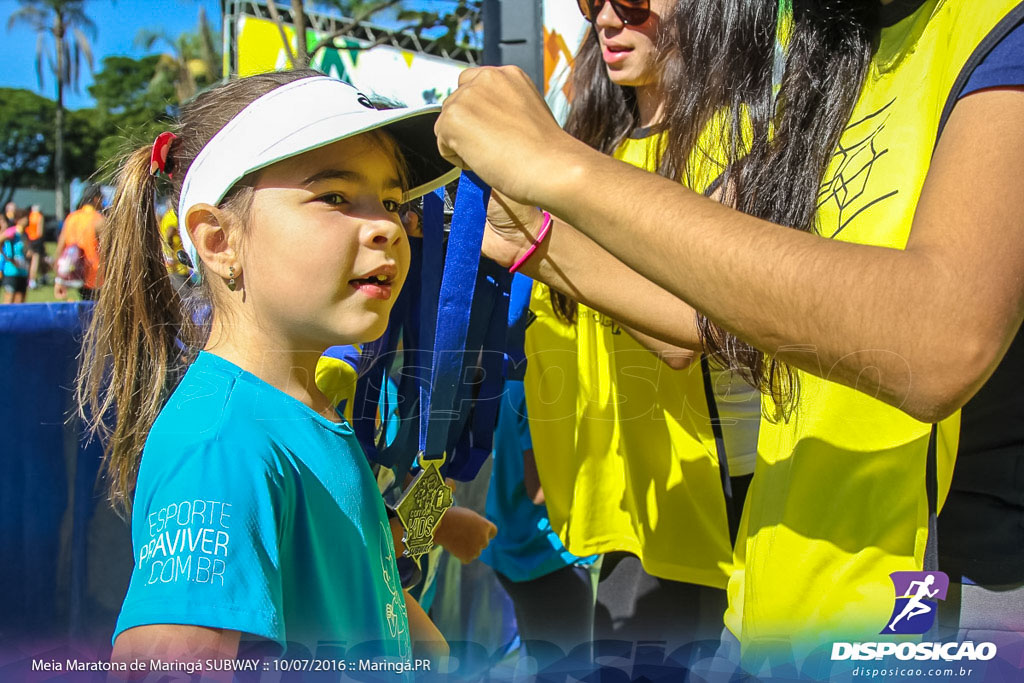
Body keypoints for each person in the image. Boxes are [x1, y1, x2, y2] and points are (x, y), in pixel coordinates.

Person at [435, 0, 1024, 670]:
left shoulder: (996, 27)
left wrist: (557, 165)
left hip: (932, 609)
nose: (604, 17)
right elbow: (704, 312)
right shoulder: (829, 51)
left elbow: (940, 340)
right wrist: (534, 242)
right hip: (777, 601)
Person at [75, 69, 459, 665]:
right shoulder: (222, 448)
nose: (387, 226)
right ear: (219, 240)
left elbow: (362, 587)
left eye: (391, 202)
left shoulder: (296, 411)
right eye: (335, 197)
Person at [513, 0, 759, 652]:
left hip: (719, 514)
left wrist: (535, 241)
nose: (605, 20)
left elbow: (683, 329)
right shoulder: (595, 151)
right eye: (590, 3)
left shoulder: (746, 136)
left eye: (632, 1)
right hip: (617, 516)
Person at [54, 187, 104, 301]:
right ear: (96, 199)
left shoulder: (71, 218)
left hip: (73, 274)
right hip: (95, 277)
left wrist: (59, 279)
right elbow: (109, 251)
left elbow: (60, 249)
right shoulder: (98, 220)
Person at [0, 208, 32, 304]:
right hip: (11, 271)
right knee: (9, 302)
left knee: (20, 302)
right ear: (18, 219)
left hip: (23, 271)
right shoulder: (12, 231)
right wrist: (7, 257)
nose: (26, 221)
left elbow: (26, 251)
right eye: (24, 219)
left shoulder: (25, 234)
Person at [25, 204, 44, 288]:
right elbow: (40, 232)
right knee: (35, 261)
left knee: (29, 261)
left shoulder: (30, 216)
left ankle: (28, 279)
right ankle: (32, 281)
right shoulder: (40, 217)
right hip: (37, 240)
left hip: (29, 239)